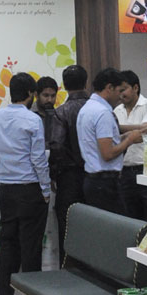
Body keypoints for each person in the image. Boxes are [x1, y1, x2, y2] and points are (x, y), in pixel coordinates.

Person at [0, 71, 51, 295]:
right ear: (31, 93)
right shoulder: (33, 120)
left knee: (8, 246)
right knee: (31, 248)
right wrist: (46, 189)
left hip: (6, 190)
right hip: (30, 189)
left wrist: (3, 150)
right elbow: (38, 159)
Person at [77, 68, 145, 214]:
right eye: (119, 91)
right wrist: (130, 140)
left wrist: (122, 138)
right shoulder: (102, 113)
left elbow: (98, 143)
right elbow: (107, 154)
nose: (120, 96)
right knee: (115, 226)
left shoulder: (87, 108)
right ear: (109, 88)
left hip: (93, 180)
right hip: (105, 184)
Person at [49, 64, 90, 264]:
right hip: (95, 177)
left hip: (69, 178)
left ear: (64, 85)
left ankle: (68, 270)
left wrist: (53, 174)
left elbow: (56, 145)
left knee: (67, 227)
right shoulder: (97, 109)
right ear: (86, 82)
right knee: (94, 226)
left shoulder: (61, 112)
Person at [113, 70, 147, 222]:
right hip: (125, 172)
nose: (121, 94)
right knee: (129, 220)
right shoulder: (116, 111)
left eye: (123, 89)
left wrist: (116, 127)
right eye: (118, 91)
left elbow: (145, 128)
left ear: (135, 88)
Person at [32, 76, 59, 150]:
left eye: (53, 96)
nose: (50, 100)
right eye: (46, 95)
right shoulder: (29, 114)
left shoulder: (58, 115)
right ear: (36, 95)